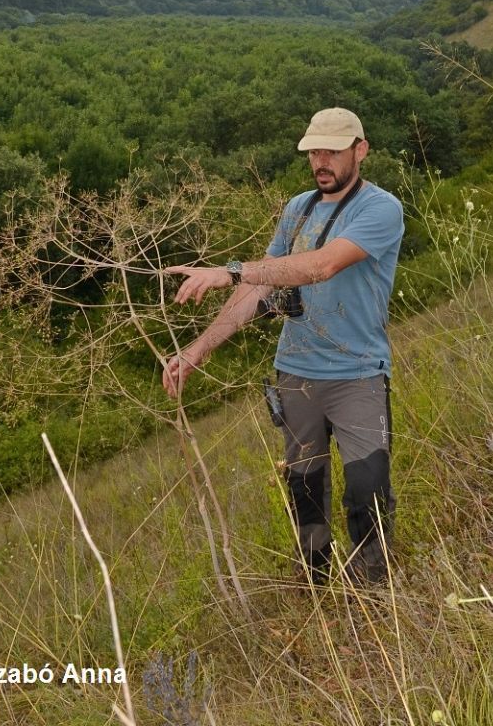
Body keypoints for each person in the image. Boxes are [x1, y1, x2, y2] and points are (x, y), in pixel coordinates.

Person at [162, 107, 404, 586]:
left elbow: (321, 266)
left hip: (357, 373)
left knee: (367, 488)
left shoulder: (380, 209)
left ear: (361, 150)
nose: (321, 161)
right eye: (314, 151)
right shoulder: (299, 208)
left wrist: (229, 269)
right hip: (296, 373)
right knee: (305, 490)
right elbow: (258, 289)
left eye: (332, 151)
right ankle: (314, 591)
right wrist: (198, 349)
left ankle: (374, 599)